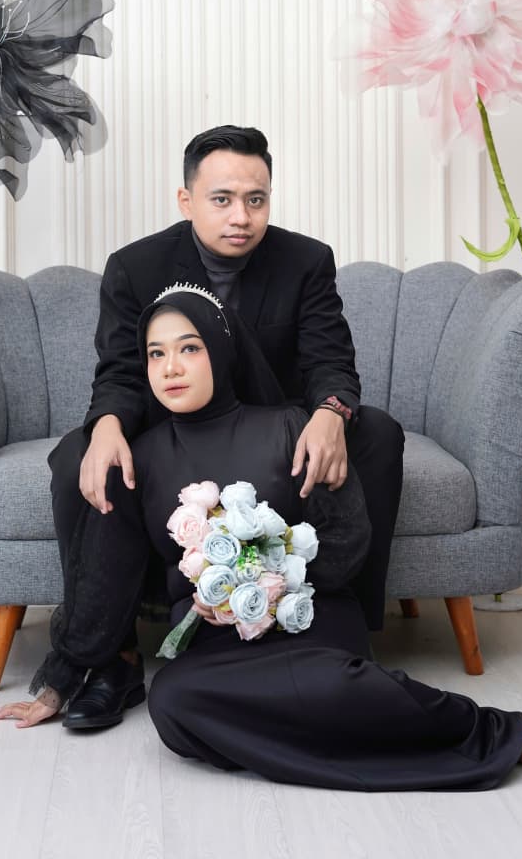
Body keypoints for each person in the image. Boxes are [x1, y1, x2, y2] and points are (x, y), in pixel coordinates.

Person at [0, 288, 522, 792]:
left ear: (221, 350)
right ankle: (340, 730)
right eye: (156, 354)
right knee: (172, 701)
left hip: (308, 620)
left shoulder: (291, 427)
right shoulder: (138, 460)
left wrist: (270, 579)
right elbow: (104, 578)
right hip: (215, 644)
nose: (171, 367)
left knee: (326, 685)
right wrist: (58, 684)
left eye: (189, 348)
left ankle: (502, 730)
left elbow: (346, 539)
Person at [46, 124, 404, 728]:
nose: (242, 216)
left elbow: (331, 360)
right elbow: (121, 371)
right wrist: (106, 423)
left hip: (272, 429)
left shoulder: (306, 260)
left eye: (256, 199)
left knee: (377, 434)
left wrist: (330, 413)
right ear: (186, 201)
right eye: (222, 199)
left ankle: (339, 617)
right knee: (77, 457)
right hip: (178, 428)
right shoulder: (136, 266)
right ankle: (113, 658)